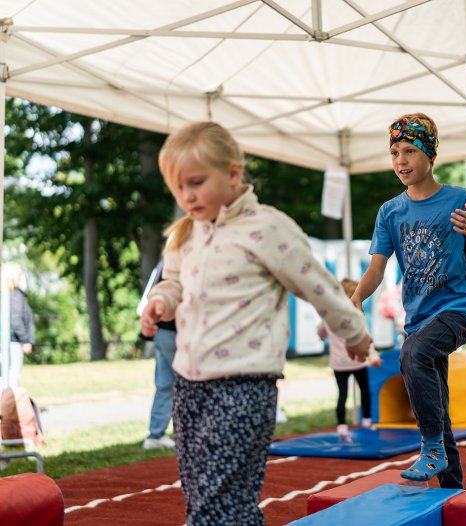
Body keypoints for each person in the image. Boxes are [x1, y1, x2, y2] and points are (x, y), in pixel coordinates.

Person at [139, 121, 371, 526]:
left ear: (232, 173)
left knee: (215, 506)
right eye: (177, 187)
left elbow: (321, 288)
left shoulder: (268, 228)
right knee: (206, 501)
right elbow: (173, 282)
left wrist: (355, 334)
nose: (186, 196)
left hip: (243, 386)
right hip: (189, 386)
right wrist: (160, 301)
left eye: (196, 182)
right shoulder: (186, 235)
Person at [350, 112, 466, 488]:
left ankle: (430, 448)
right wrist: (355, 298)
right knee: (437, 402)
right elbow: (376, 270)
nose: (400, 160)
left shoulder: (458, 199)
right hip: (419, 319)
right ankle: (451, 487)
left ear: (430, 156)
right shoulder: (390, 212)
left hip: (460, 311)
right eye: (395, 152)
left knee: (414, 354)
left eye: (410, 151)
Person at [318, 278, 382, 442]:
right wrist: (373, 356)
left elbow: (321, 333)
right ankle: (366, 421)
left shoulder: (331, 315)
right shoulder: (357, 315)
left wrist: (322, 330)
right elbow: (367, 339)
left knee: (343, 394)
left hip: (340, 363)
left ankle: (342, 426)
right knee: (364, 391)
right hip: (357, 361)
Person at [137, 260, 177, 450]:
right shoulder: (176, 260)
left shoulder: (164, 263)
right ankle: (162, 432)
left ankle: (156, 432)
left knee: (165, 383)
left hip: (163, 330)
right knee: (184, 382)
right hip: (174, 330)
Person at [6, 263, 34, 388]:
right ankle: (10, 405)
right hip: (14, 341)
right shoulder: (14, 294)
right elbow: (16, 319)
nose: (21, 278)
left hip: (10, 340)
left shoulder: (8, 294)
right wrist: (25, 340)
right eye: (19, 275)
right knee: (12, 376)